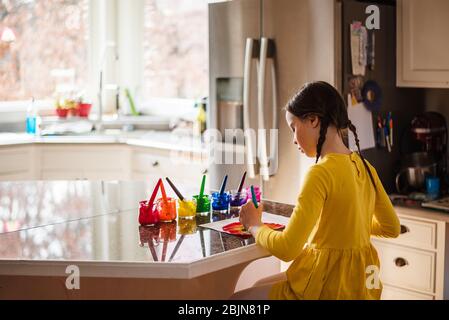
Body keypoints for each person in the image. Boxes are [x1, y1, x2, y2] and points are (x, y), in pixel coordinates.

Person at [231, 81, 400, 300]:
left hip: (326, 286)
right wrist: (349, 226)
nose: (293, 139)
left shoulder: (320, 173)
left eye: (294, 128)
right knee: (260, 284)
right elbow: (391, 227)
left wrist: (254, 225)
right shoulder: (366, 167)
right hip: (362, 285)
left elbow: (288, 248)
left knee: (237, 301)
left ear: (313, 120)